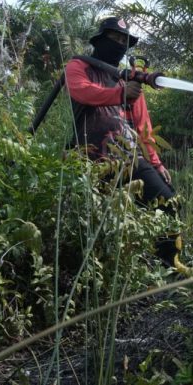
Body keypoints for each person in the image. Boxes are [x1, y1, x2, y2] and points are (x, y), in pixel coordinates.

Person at [65, 16, 181, 266]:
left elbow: (142, 126)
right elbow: (80, 91)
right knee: (99, 223)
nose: (118, 44)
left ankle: (168, 265)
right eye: (114, 38)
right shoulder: (79, 66)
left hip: (129, 156)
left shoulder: (128, 80)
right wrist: (119, 93)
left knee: (168, 201)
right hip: (89, 160)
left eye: (123, 41)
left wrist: (156, 163)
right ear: (100, 40)